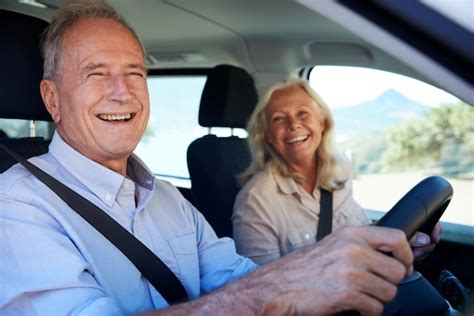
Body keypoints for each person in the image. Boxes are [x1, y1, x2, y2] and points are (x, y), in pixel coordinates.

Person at [0, 1, 414, 315]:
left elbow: (237, 277)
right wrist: (267, 292)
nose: (122, 92)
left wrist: (359, 262)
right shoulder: (16, 207)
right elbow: (256, 291)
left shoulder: (167, 198)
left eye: (135, 73)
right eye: (96, 73)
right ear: (52, 99)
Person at [233, 79, 441, 264]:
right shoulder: (255, 201)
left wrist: (403, 239)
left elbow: (356, 230)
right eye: (278, 118)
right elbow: (261, 291)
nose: (294, 124)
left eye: (303, 113)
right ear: (268, 135)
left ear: (321, 122)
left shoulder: (340, 168)